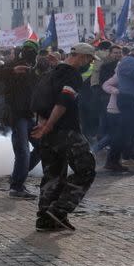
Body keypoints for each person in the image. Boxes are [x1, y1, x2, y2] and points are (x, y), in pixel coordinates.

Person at [30, 43, 98, 232]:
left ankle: (45, 219)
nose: (90, 63)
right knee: (86, 170)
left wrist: (44, 124)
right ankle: (59, 210)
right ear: (82, 57)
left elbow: (36, 102)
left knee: (53, 175)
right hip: (66, 131)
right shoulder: (72, 75)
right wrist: (50, 123)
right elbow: (64, 101)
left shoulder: (49, 74)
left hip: (47, 134)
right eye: (90, 59)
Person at [0, 40, 42, 199]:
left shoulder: (35, 70)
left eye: (32, 51)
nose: (29, 54)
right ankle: (16, 186)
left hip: (29, 116)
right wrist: (12, 70)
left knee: (41, 146)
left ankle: (18, 176)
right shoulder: (13, 65)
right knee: (23, 152)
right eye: (27, 50)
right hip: (16, 115)